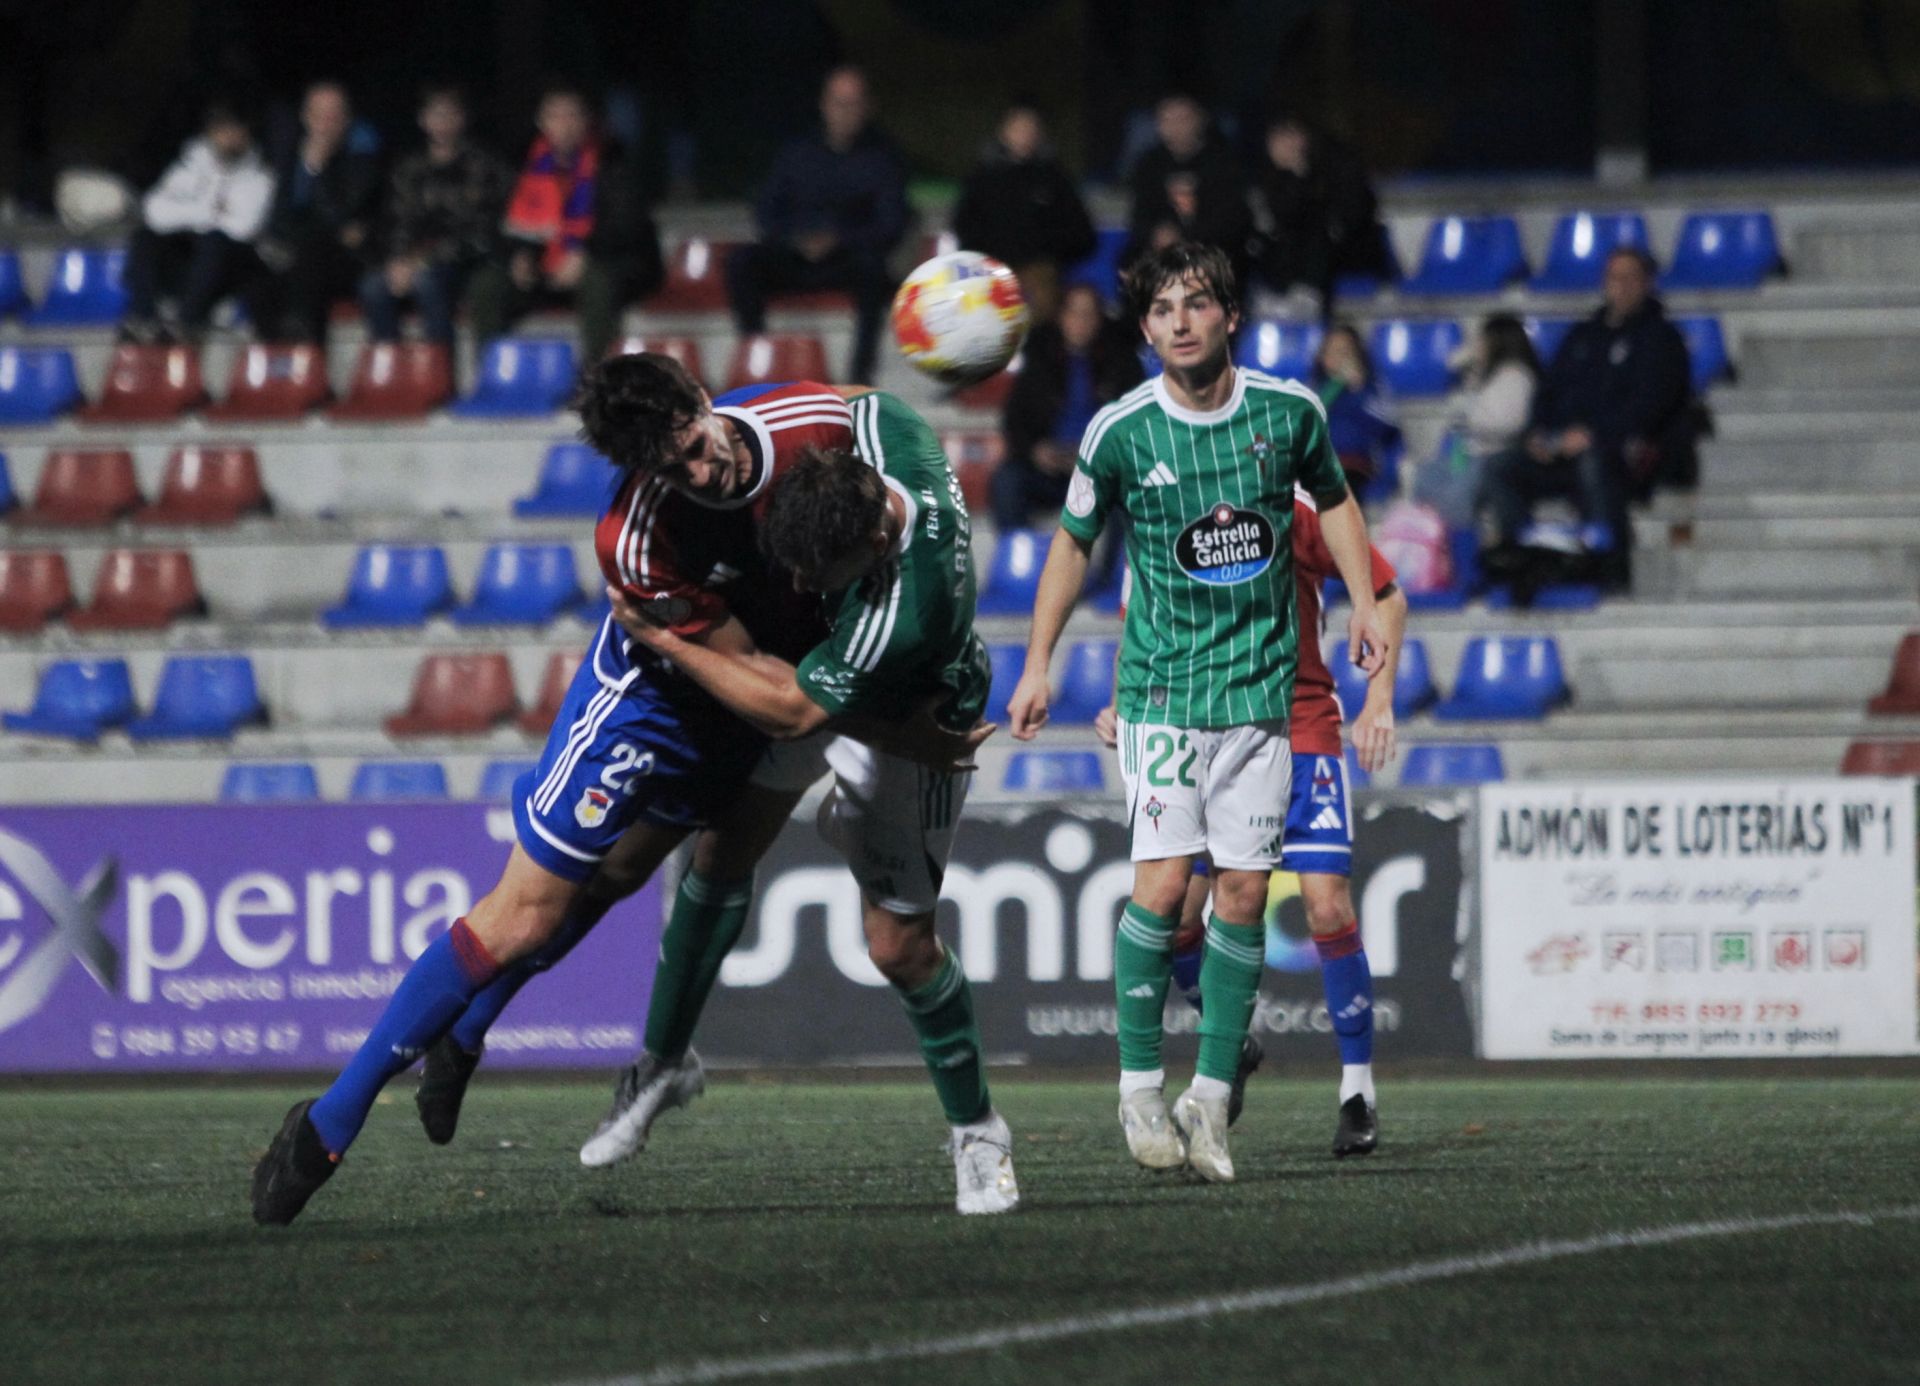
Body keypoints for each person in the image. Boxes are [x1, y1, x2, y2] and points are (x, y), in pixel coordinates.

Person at [249, 359, 1003, 1225]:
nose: (694, 471)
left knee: (623, 876)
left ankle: (468, 1029)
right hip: (651, 702)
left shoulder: (811, 420)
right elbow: (756, 669)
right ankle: (327, 1123)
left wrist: (884, 723)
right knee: (524, 914)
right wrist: (893, 730)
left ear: (701, 400)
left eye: (691, 444)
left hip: (750, 706)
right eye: (667, 467)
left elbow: (791, 679)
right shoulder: (637, 536)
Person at [1005, 241, 1388, 1184]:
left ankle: (1209, 1102)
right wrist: (1038, 663)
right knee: (1165, 888)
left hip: (1262, 699)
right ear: (1145, 331)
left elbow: (1335, 505)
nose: (1180, 320)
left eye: (1197, 303)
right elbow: (1072, 545)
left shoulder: (1288, 413)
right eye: (1164, 308)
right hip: (1163, 696)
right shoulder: (1120, 431)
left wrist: (1368, 605)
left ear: (1230, 318)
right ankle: (1140, 1086)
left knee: (1248, 896)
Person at [600, 397, 1019, 1216]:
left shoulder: (901, 611)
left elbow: (795, 710)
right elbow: (868, 402)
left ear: (867, 547)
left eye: (812, 575)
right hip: (830, 677)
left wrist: (665, 640)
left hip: (916, 722)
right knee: (721, 849)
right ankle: (662, 1063)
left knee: (897, 947)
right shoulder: (895, 444)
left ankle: (980, 1132)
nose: (795, 584)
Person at [1094, 485, 1407, 1156]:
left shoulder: (1288, 503)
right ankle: (1228, 1038)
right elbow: (1137, 626)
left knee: (1325, 906)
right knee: (1176, 917)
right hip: (1199, 724)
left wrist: (1379, 701)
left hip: (1298, 722)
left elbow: (1384, 592)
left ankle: (1358, 1091)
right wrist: (1124, 703)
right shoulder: (1162, 509)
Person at [1477, 247, 1694, 591]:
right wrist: (1539, 433)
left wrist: (1595, 435)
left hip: (1624, 454)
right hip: (1563, 449)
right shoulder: (1583, 335)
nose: (1619, 286)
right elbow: (1547, 391)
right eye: (1613, 278)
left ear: (1646, 283)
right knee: (1500, 467)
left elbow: (1652, 405)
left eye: (1628, 278)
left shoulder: (1662, 339)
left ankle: (1608, 568)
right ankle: (1521, 559)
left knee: (1594, 463)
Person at [725, 67, 908, 384]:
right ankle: (758, 364)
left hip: (849, 259)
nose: (845, 112)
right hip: (794, 255)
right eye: (839, 102)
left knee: (874, 272)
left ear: (867, 107)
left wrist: (839, 240)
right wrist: (797, 239)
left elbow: (890, 223)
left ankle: (859, 378)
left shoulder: (884, 158)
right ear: (824, 105)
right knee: (741, 262)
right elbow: (767, 212)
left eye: (853, 103)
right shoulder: (796, 153)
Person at [464, 85, 664, 365]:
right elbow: (506, 225)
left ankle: (595, 377)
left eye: (572, 116)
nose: (564, 125)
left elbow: (627, 227)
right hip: (544, 267)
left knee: (598, 282)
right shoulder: (522, 165)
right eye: (555, 116)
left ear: (586, 121)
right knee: (486, 284)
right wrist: (519, 256)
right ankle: (492, 373)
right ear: (542, 122)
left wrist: (584, 252)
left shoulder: (612, 162)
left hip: (604, 261)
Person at [359, 85, 512, 348]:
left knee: (428, 282)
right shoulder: (408, 167)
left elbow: (477, 229)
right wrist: (398, 259)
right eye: (436, 115)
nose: (443, 123)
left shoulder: (483, 165)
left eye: (450, 115)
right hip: (412, 259)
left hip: (463, 261)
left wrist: (423, 261)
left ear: (463, 119)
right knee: (373, 287)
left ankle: (438, 371)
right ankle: (391, 368)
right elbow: (398, 219)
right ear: (423, 119)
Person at [992, 282, 1144, 530]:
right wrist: (1035, 451)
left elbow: (1136, 424)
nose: (1080, 322)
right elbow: (1014, 419)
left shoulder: (1122, 363)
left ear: (1099, 319)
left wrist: (1098, 458)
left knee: (1130, 492)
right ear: (1061, 317)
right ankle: (1019, 562)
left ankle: (1113, 569)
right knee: (1007, 481)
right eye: (1074, 313)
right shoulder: (1039, 359)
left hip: (1101, 471)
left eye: (1088, 314)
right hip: (1049, 469)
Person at [119, 101, 274, 345]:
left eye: (235, 130)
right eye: (221, 129)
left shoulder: (260, 176)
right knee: (145, 237)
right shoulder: (189, 165)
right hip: (189, 264)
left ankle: (186, 323)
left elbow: (244, 227)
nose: (228, 137)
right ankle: (142, 318)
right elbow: (153, 211)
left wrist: (188, 213)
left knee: (214, 241)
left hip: (230, 272)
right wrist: (209, 211)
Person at [248, 81, 382, 345]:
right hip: (294, 254)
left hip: (343, 260)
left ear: (347, 120)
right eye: (319, 116)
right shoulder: (290, 158)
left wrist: (318, 171)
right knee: (259, 283)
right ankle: (276, 360)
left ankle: (305, 348)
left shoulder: (361, 159)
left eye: (334, 116)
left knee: (312, 253)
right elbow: (278, 217)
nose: (325, 125)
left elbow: (340, 217)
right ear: (305, 118)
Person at [951, 102, 1097, 324]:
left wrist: (1047, 256)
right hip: (990, 272)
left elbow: (1081, 233)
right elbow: (965, 227)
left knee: (1042, 295)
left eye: (1031, 127)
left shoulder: (1054, 177)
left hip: (1040, 272)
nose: (1025, 133)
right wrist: (990, 260)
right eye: (1018, 126)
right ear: (1003, 131)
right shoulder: (982, 177)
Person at [1249, 113, 1391, 311]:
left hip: (1345, 255)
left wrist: (1300, 174)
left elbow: (1349, 215)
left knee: (1315, 233)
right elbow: (1274, 222)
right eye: (1276, 137)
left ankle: (1308, 292)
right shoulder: (1265, 180)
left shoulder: (1337, 167)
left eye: (1290, 134)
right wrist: (1291, 177)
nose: (1284, 144)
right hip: (1288, 265)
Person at [1417, 314, 1540, 528]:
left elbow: (1510, 423)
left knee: (1457, 498)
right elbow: (1458, 386)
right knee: (1425, 475)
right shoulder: (1486, 375)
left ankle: (1460, 545)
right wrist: (1469, 369)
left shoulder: (1517, 376)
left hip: (1495, 457)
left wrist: (1470, 416)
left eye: (1483, 340)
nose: (1478, 345)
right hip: (1470, 454)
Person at [1125, 95, 1251, 291]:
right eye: (1167, 119)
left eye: (1182, 118)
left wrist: (1186, 236)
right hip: (1160, 254)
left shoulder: (1224, 161)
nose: (1175, 126)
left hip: (1213, 253)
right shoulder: (1149, 163)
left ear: (1200, 119)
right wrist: (1156, 233)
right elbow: (1140, 215)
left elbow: (1232, 219)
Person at [1312, 322, 1402, 503]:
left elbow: (1387, 423)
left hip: (1356, 465)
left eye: (1345, 352)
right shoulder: (1314, 388)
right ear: (1323, 357)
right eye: (1333, 352)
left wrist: (1358, 390)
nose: (1339, 358)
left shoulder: (1372, 388)